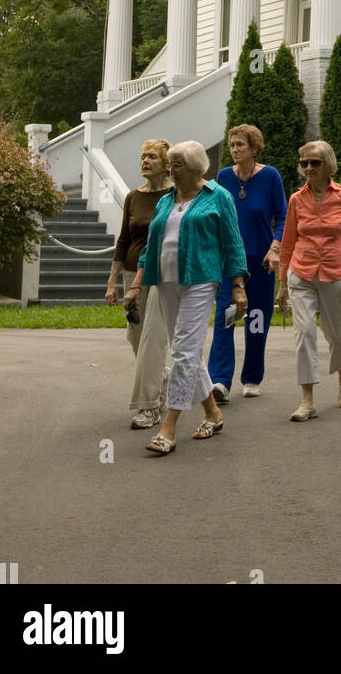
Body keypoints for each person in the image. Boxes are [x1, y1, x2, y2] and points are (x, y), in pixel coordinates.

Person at [123, 140, 248, 455]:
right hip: (165, 280)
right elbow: (153, 245)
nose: (171, 170)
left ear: (195, 167)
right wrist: (137, 284)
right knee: (189, 353)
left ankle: (169, 426)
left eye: (177, 164)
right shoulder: (167, 199)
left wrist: (238, 284)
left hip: (200, 280)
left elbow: (233, 242)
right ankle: (213, 414)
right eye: (171, 164)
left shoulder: (218, 197)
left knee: (181, 353)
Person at [275, 140, 341, 422]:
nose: (308, 168)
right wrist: (282, 283)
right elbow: (288, 242)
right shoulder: (296, 199)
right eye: (304, 163)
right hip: (302, 272)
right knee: (304, 333)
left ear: (328, 165)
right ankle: (307, 400)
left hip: (336, 272)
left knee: (337, 334)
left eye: (314, 163)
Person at [208, 124, 287, 402]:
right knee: (226, 318)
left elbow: (283, 217)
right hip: (230, 262)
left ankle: (252, 377)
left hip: (261, 263)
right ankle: (219, 380)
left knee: (256, 319)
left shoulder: (269, 176)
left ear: (254, 148)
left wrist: (275, 248)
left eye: (240, 144)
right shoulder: (223, 177)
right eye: (231, 145)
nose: (234, 149)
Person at [104, 139, 172, 429]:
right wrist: (112, 282)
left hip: (161, 275)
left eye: (152, 157)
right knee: (135, 335)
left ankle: (150, 406)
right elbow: (123, 241)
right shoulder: (133, 196)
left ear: (166, 163)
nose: (145, 161)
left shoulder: (174, 195)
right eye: (143, 156)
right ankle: (163, 377)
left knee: (152, 338)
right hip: (132, 274)